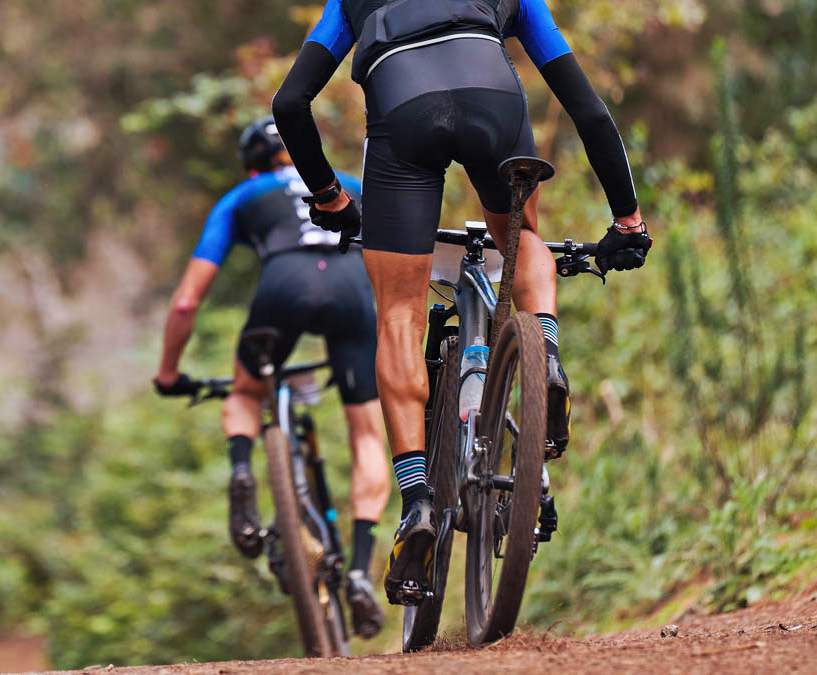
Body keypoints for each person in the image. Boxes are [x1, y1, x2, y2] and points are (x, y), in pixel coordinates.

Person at [271, 0, 653, 604]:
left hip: (401, 108)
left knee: (398, 313)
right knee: (521, 239)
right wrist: (627, 221)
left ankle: (418, 500)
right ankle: (545, 356)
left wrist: (329, 197)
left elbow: (289, 104)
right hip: (491, 93)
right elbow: (589, 109)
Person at [153, 116, 391, 638]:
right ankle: (359, 571)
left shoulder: (243, 196)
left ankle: (242, 472)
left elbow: (187, 300)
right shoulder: (349, 184)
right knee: (368, 433)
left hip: (283, 284)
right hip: (353, 291)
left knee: (244, 394)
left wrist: (169, 373)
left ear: (252, 162)